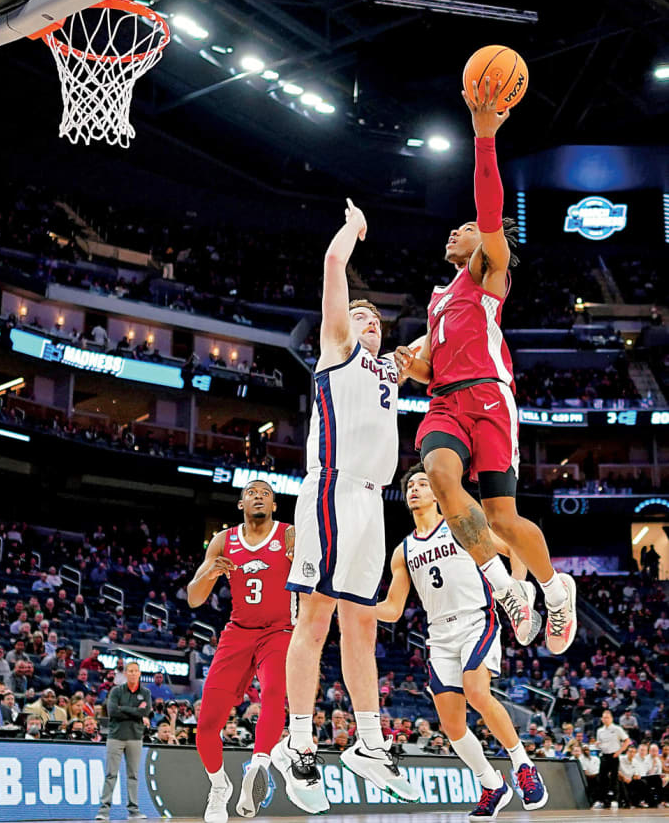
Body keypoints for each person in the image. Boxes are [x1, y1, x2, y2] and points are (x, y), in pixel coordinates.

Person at [394, 78, 576, 654]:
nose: (457, 230)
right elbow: (428, 370)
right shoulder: (438, 298)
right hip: (446, 401)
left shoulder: (488, 272)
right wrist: (409, 365)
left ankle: (554, 587)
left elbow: (490, 211)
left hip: (491, 398)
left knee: (502, 519)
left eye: (465, 228)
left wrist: (484, 138)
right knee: (441, 477)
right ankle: (505, 588)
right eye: (457, 229)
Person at [274, 200, 420, 814]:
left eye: (375, 319)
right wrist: (353, 231)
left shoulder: (389, 370)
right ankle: (299, 742)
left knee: (360, 624)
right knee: (315, 621)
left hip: (370, 502)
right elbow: (335, 262)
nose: (368, 321)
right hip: (331, 490)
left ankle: (367, 741)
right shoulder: (338, 348)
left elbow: (432, 350)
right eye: (360, 314)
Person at [376, 464, 547, 819]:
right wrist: (356, 606)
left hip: (477, 621)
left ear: (438, 493)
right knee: (452, 726)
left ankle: (524, 766)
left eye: (423, 484)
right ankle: (491, 784)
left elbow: (514, 548)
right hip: (438, 636)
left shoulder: (460, 525)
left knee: (477, 691)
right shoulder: (402, 551)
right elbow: (393, 610)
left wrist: (516, 587)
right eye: (411, 486)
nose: (415, 489)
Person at [187, 480, 295, 823]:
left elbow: (316, 574)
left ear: (274, 505)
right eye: (251, 492)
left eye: (265, 493)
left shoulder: (289, 534)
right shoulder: (224, 540)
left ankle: (258, 767)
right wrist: (210, 574)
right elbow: (193, 597)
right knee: (206, 724)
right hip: (237, 633)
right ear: (240, 504)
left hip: (279, 630)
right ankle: (219, 786)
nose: (258, 496)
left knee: (275, 692)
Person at [95, 661, 151, 822]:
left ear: (139, 673)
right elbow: (113, 711)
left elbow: (146, 711)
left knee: (133, 775)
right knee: (111, 774)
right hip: (116, 737)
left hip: (135, 737)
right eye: (130, 671)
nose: (133, 673)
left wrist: (124, 708)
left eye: (136, 671)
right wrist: (136, 712)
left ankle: (134, 810)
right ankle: (104, 810)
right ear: (125, 673)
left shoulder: (145, 693)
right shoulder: (116, 691)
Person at [594, 709, 630, 809]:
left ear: (611, 719)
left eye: (607, 717)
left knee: (614, 779)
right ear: (601, 719)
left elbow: (627, 741)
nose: (605, 719)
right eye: (603, 717)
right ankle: (602, 800)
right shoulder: (599, 730)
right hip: (604, 755)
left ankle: (615, 800)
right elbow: (599, 743)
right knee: (602, 779)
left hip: (613, 756)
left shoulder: (617, 729)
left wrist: (619, 752)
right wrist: (597, 745)